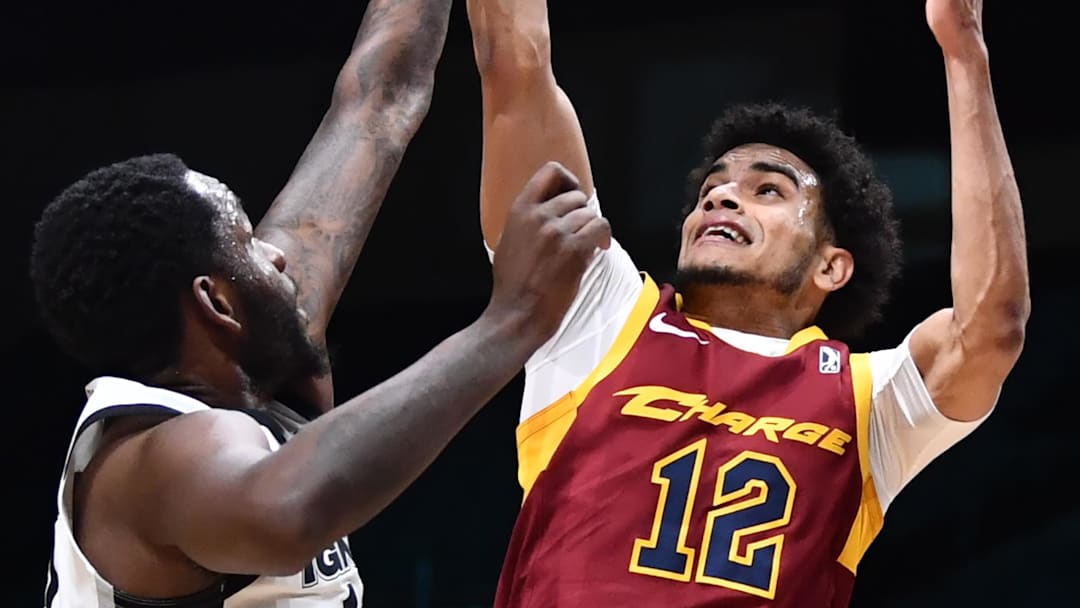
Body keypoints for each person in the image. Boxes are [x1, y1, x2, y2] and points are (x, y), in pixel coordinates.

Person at [33, 0, 612, 605]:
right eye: (247, 243)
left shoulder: (244, 353)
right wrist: (512, 320)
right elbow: (287, 515)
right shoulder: (148, 462)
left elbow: (379, 101)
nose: (278, 253)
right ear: (216, 304)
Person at [466, 0, 1028, 605]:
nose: (724, 197)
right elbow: (518, 68)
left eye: (767, 190)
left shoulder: (867, 403)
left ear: (830, 267)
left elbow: (990, 328)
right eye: (713, 188)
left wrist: (964, 50)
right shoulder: (599, 316)